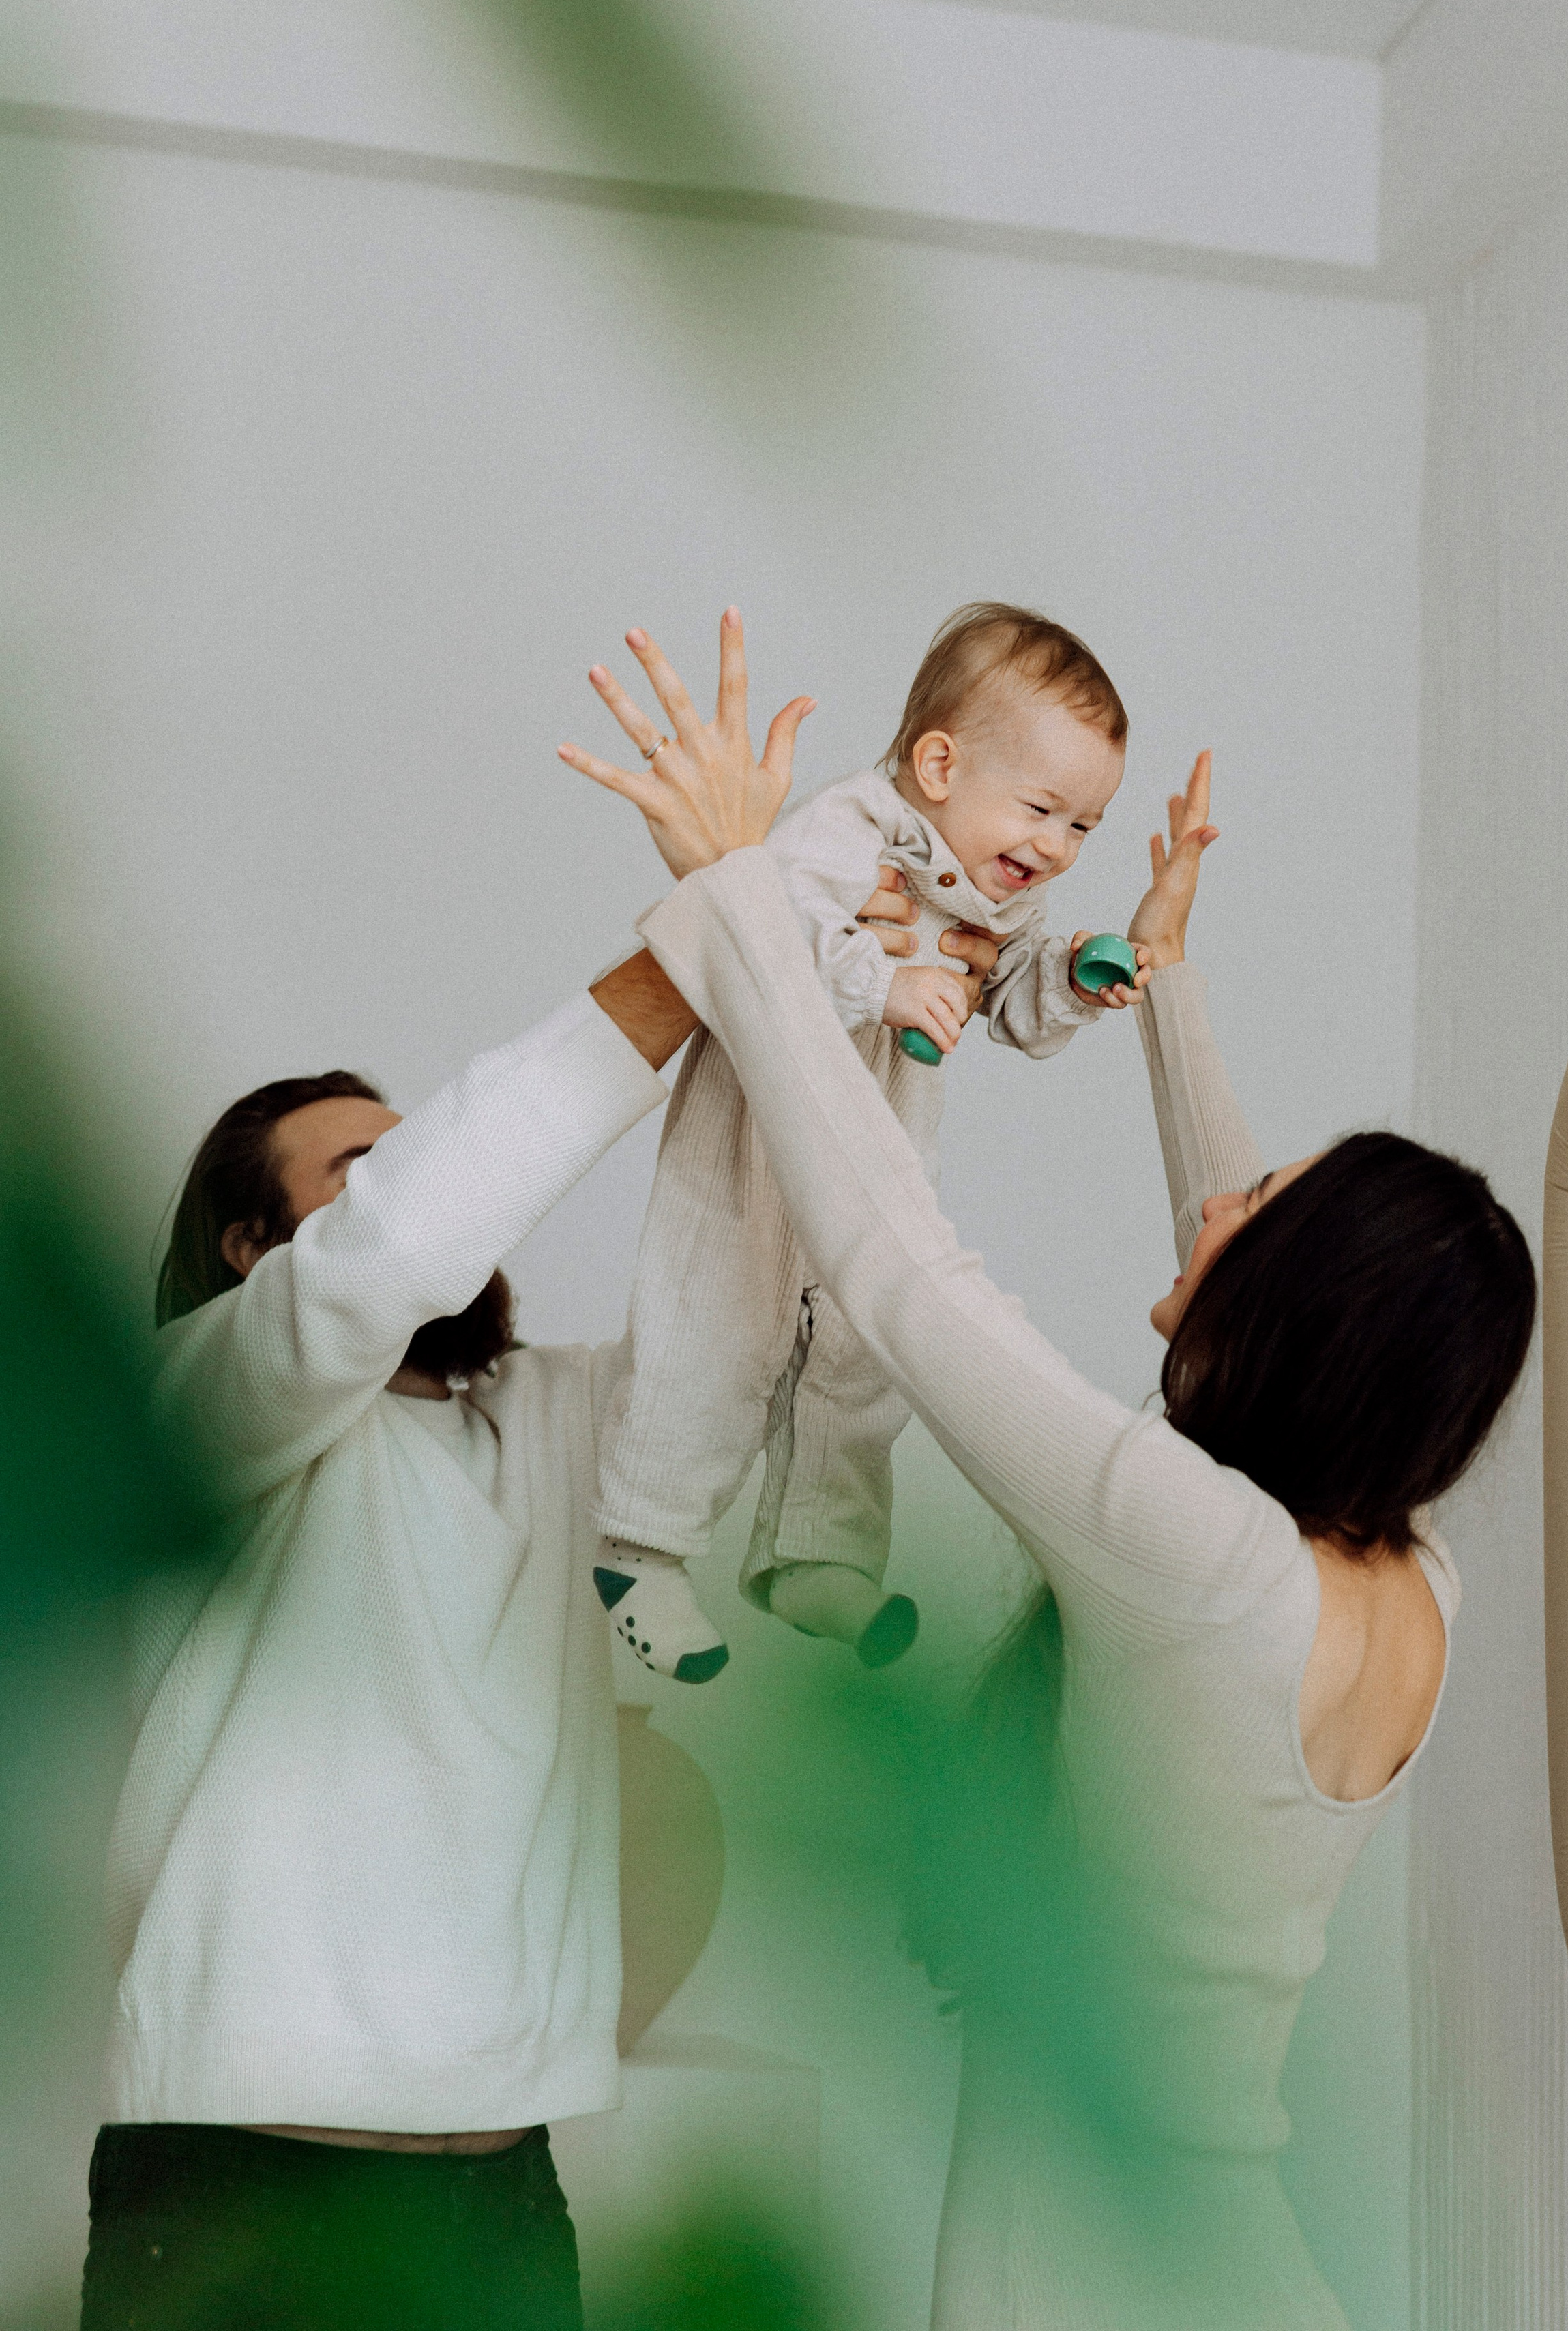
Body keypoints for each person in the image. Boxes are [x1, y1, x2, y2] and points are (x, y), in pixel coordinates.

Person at [569, 623, 1537, 2331]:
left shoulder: (1193, 1557)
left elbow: (893, 1266)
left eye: (1256, 1208)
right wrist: (1159, 981)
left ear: (1291, 1307)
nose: (1215, 1201)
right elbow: (1250, 1270)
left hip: (1079, 2268)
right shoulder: (1406, 1582)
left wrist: (743, 899)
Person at [80, 619, 997, 2331]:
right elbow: (404, 1244)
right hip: (238, 2177)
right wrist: (690, 946)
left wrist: (805, 945)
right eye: (362, 1164)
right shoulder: (205, 1407)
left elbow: (748, 1291)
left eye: (412, 1143)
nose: (418, 1181)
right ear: (251, 1243)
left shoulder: (559, 1429)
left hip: (502, 2181)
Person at [566, 602, 1146, 1685]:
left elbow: (1007, 1002)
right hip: (754, 1146)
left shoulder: (998, 896)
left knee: (862, 1354)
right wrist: (887, 981)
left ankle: (816, 1556)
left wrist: (1071, 976)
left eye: (1083, 828)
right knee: (716, 1331)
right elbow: (774, 928)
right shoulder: (856, 826)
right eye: (1042, 809)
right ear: (938, 762)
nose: (1056, 847)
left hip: (871, 1157)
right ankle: (639, 1547)